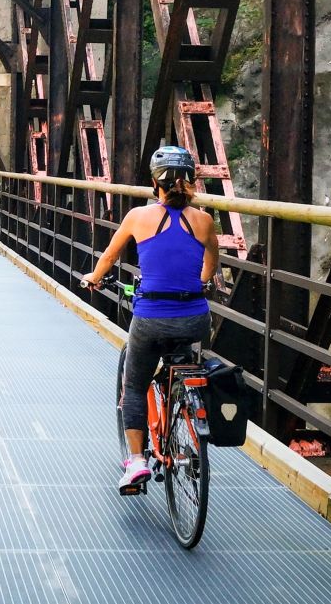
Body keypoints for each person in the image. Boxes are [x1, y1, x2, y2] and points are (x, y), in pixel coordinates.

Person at [81, 146, 219, 493]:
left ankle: (137, 463)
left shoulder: (138, 216)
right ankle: (184, 403)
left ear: (154, 182)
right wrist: (197, 282)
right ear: (191, 180)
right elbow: (210, 267)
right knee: (182, 355)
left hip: (151, 318)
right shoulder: (203, 220)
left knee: (135, 386)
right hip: (195, 318)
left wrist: (93, 278)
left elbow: (110, 256)